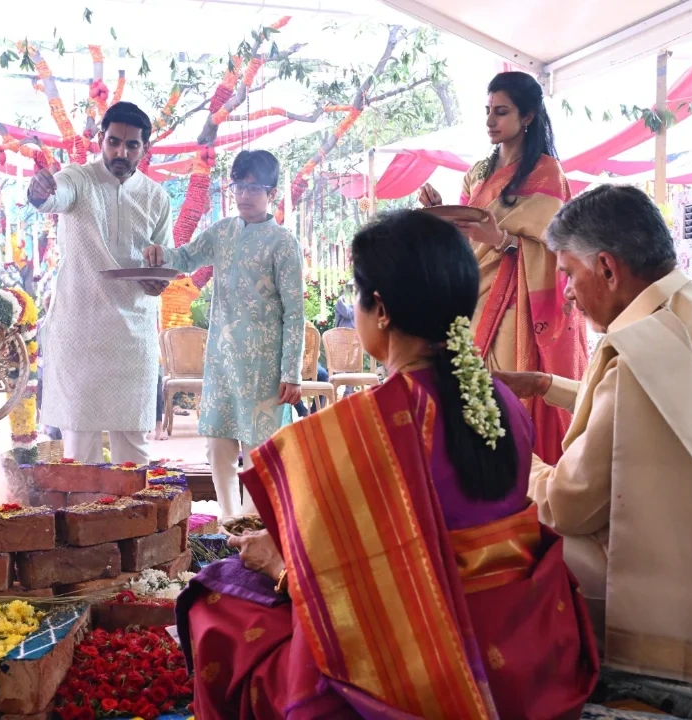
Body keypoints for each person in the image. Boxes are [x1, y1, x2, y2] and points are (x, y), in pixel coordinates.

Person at [176, 210, 598, 719]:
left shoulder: (362, 427)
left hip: (426, 662)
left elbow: (347, 588)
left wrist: (277, 565)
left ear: (379, 309)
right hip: (530, 647)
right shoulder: (501, 402)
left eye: (356, 296)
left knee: (214, 601)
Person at [495, 185, 692, 686]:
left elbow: (569, 505)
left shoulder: (646, 351)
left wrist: (506, 454)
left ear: (606, 268)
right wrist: (543, 386)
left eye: (568, 275)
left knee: (507, 540)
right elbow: (653, 410)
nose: (568, 294)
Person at [419, 71, 586, 465]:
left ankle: (521, 482)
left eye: (502, 112)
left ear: (527, 116)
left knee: (506, 393)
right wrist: (436, 210)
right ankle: (479, 480)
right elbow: (464, 236)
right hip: (472, 295)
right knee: (469, 390)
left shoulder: (546, 173)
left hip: (518, 301)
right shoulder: (477, 173)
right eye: (488, 111)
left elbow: (558, 246)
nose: (491, 121)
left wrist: (503, 241)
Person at [144, 150, 305, 519]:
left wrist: (291, 372)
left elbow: (295, 313)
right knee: (217, 443)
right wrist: (158, 253)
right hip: (222, 359)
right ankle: (228, 520)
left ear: (273, 193)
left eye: (255, 187)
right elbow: (184, 258)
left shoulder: (283, 243)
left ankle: (254, 523)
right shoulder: (221, 232)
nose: (245, 194)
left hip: (266, 365)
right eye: (239, 185)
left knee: (258, 449)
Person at [27, 101, 173, 465]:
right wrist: (39, 192)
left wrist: (158, 280)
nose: (121, 152)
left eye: (131, 145)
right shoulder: (79, 179)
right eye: (113, 142)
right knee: (80, 450)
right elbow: (51, 198)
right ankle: (84, 520)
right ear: (100, 140)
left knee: (133, 448)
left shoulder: (157, 197)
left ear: (145, 148)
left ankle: (137, 522)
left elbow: (163, 256)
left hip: (133, 331)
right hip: (82, 329)